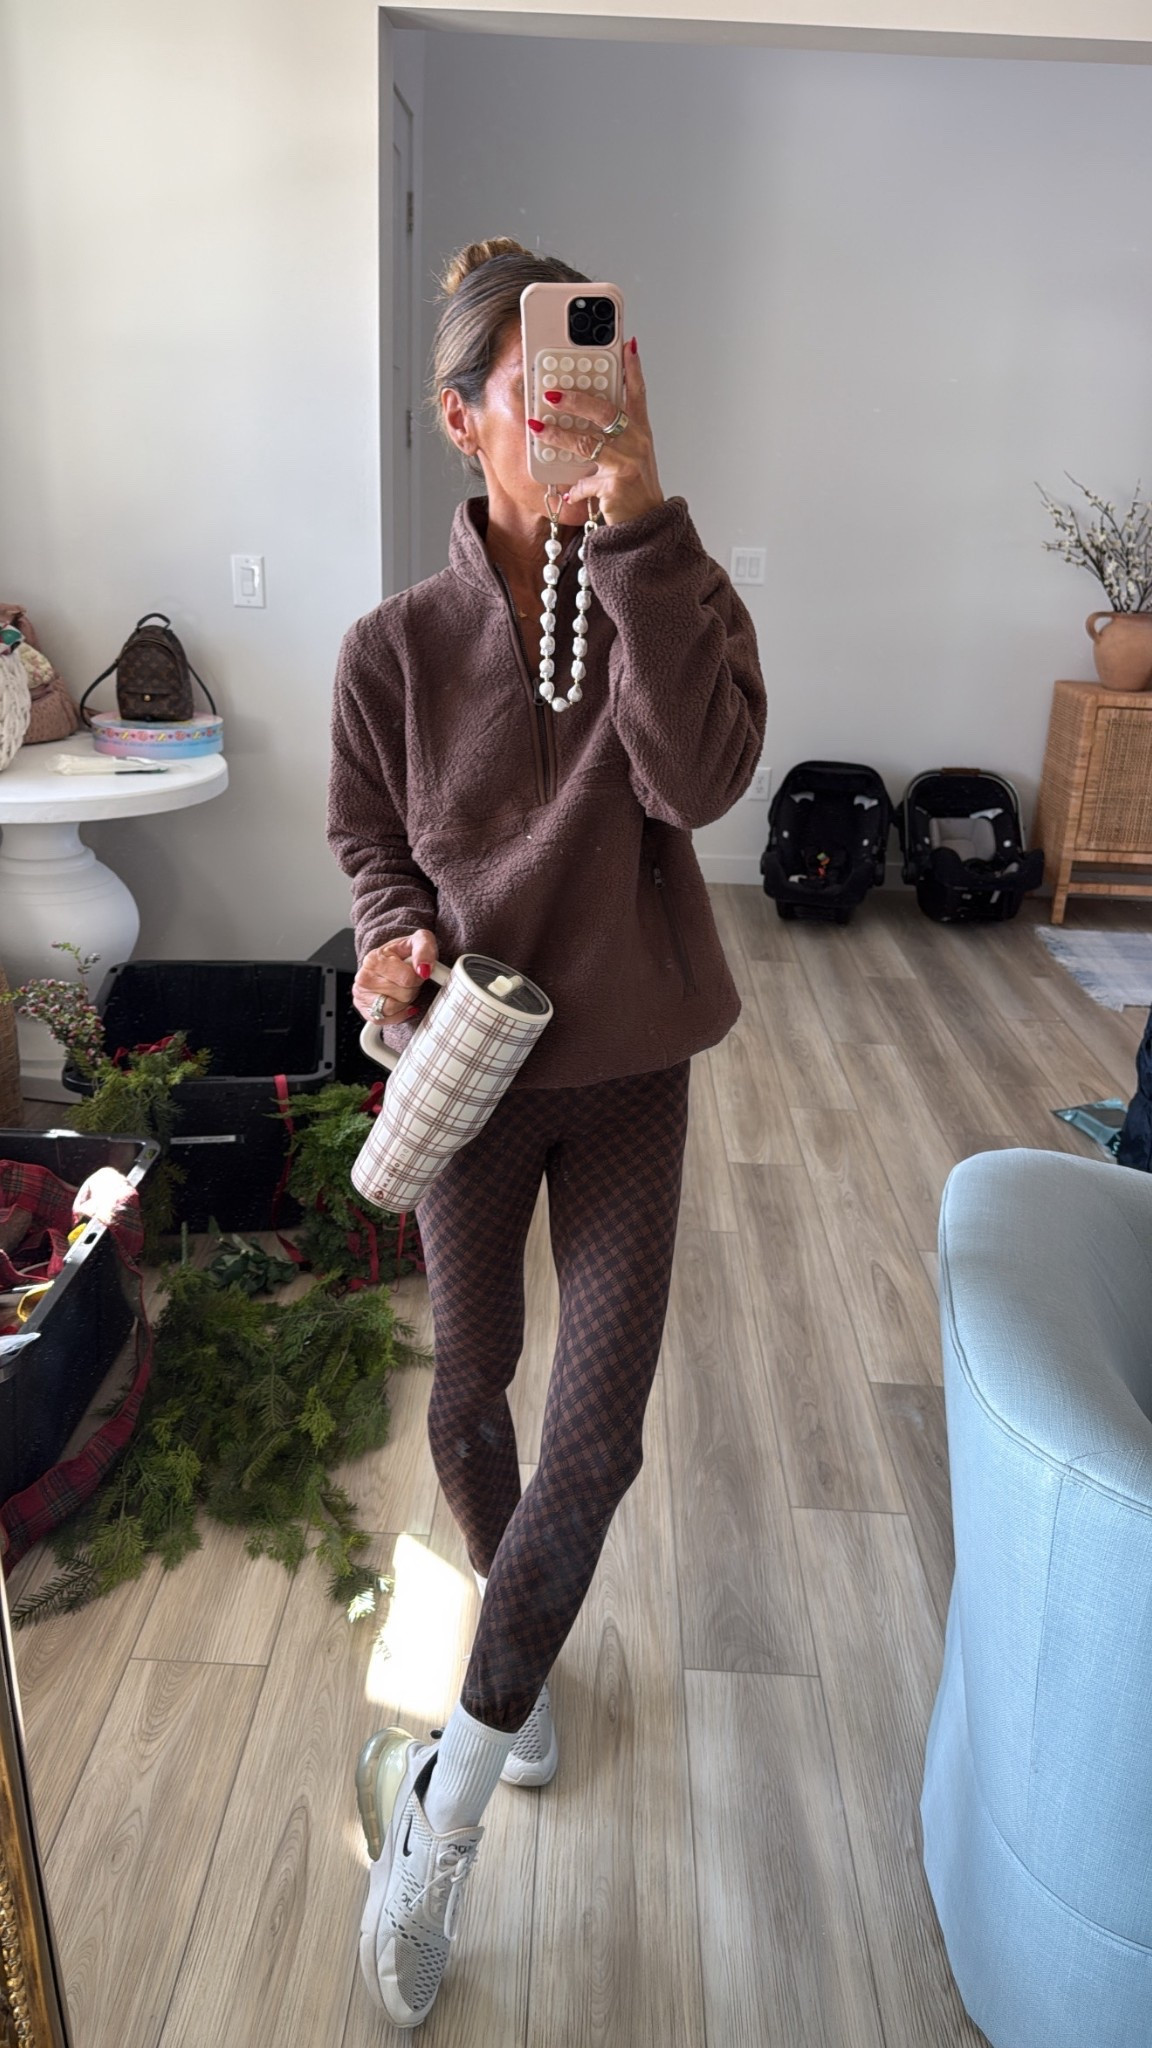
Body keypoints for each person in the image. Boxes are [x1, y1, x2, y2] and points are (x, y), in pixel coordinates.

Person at [327, 236, 766, 2030]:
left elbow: (699, 781)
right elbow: (369, 840)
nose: (582, 409)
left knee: (599, 1441)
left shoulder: (675, 582)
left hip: (636, 1066)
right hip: (474, 1065)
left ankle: (450, 1801)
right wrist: (388, 941)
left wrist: (642, 536)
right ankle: (526, 1639)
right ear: (464, 420)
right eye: (541, 388)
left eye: (605, 371)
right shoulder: (392, 649)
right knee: (471, 1392)